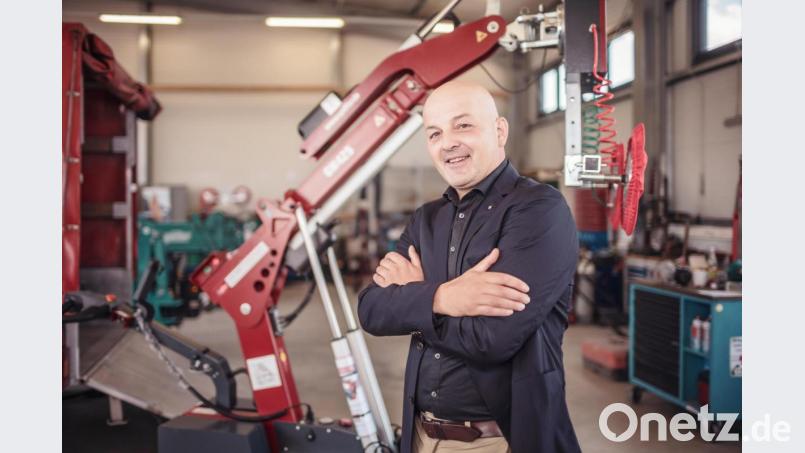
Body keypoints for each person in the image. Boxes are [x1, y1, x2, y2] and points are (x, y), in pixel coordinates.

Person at [357, 80, 581, 453]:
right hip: (419, 435)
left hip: (498, 441)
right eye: (434, 133)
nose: (447, 143)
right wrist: (444, 297)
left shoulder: (539, 210)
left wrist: (415, 300)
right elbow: (372, 310)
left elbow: (494, 338)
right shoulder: (425, 220)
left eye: (463, 125)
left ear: (499, 131)